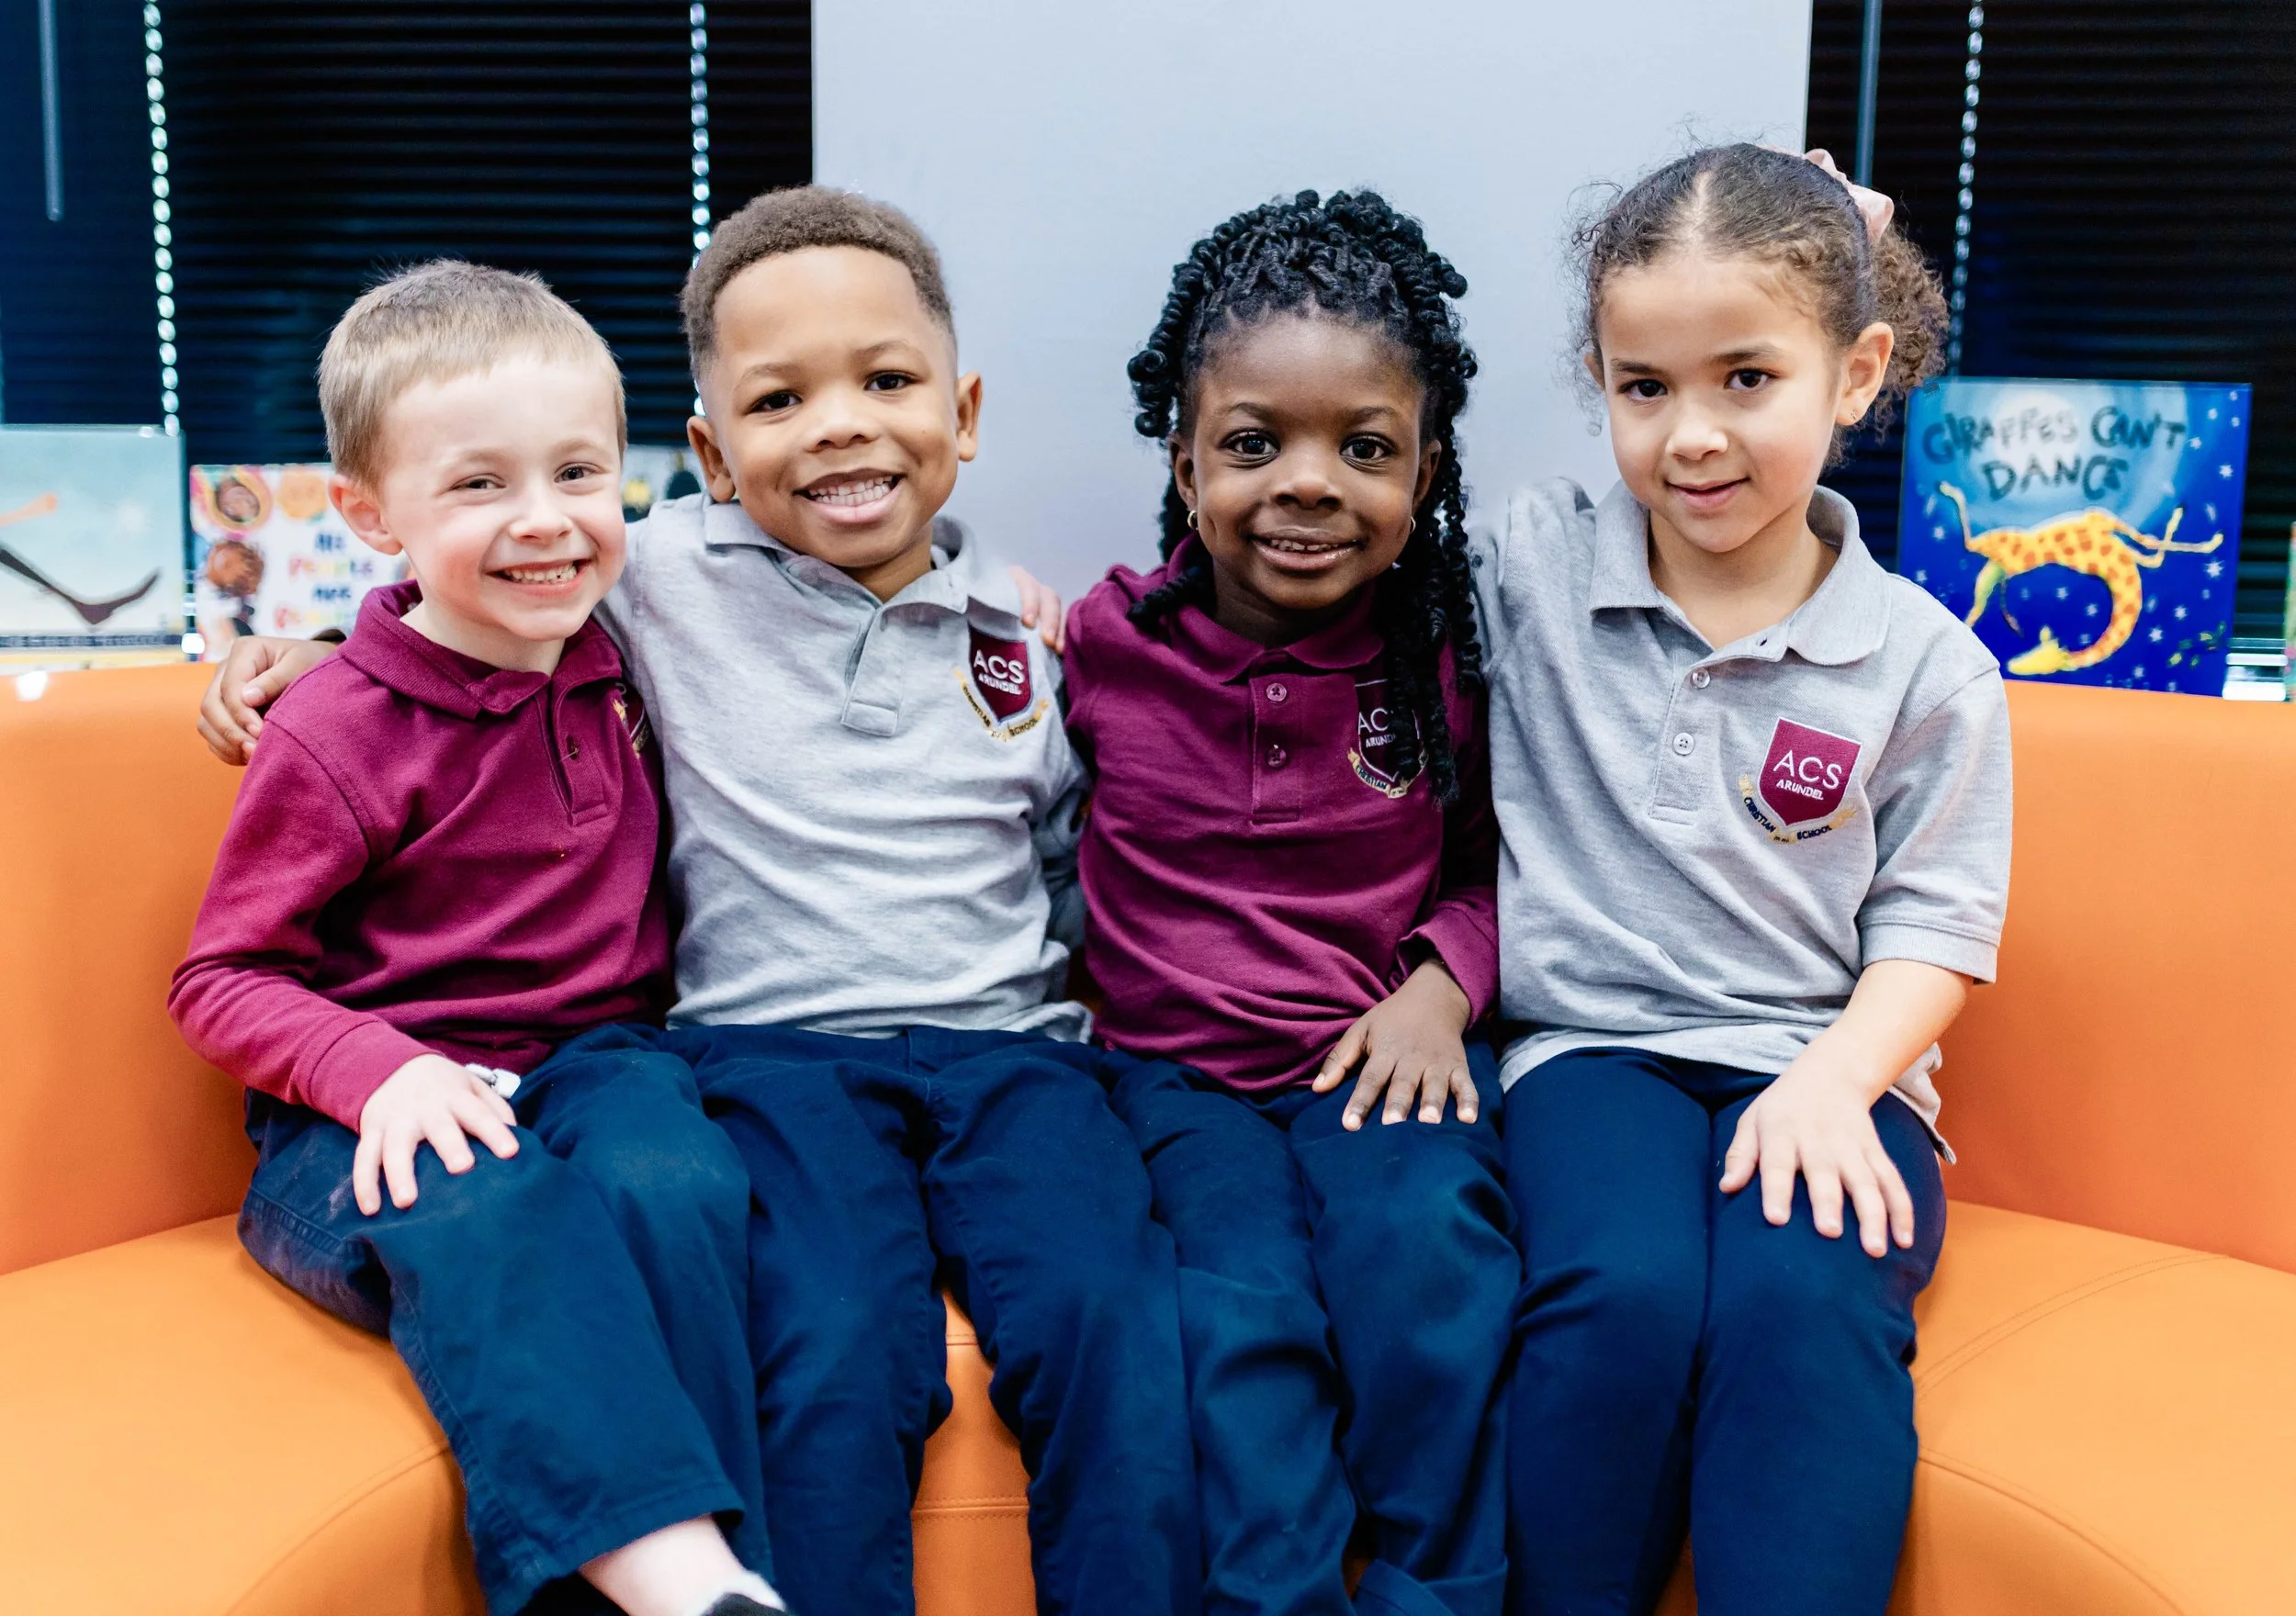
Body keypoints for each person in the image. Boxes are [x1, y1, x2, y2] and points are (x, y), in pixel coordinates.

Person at [192, 189, 1198, 1616]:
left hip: (913, 1057)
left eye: (889, 381)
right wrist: (303, 647)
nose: (843, 424)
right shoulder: (650, 577)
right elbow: (464, 600)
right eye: (784, 398)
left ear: (962, 415)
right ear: (715, 459)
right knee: (826, 1329)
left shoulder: (1012, 640)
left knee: (1071, 1301)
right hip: (714, 1060)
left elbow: (1063, 858)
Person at [170, 263, 782, 1616]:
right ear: (367, 514)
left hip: (598, 1062)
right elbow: (219, 978)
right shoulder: (333, 731)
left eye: (578, 473)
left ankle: (746, 1580)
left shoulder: (619, 648)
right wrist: (378, 1071)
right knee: (499, 1205)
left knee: (678, 1184)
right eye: (479, 486)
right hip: (365, 1114)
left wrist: (1004, 596)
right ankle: (688, 1590)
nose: (546, 522)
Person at [1477, 145, 2011, 1616]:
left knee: (1801, 1302)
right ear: (1600, 378)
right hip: (1593, 1053)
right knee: (1621, 1298)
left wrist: (1838, 1083)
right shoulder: (1532, 564)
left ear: (1858, 375)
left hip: (1825, 1067)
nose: (1692, 436)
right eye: (1644, 387)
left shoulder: (1926, 665)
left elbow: (1937, 925)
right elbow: (1325, 558)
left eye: (1749, 380)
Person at [1064, 191, 1518, 1616]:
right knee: (1239, 1317)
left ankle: (1442, 1598)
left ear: (1426, 469)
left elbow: (1508, 862)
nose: (1308, 484)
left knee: (1436, 1268)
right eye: (1255, 443)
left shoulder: (1448, 659)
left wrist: (1443, 988)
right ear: (1186, 459)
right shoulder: (1098, 645)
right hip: (1176, 1083)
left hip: (1378, 1062)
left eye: (1364, 449)